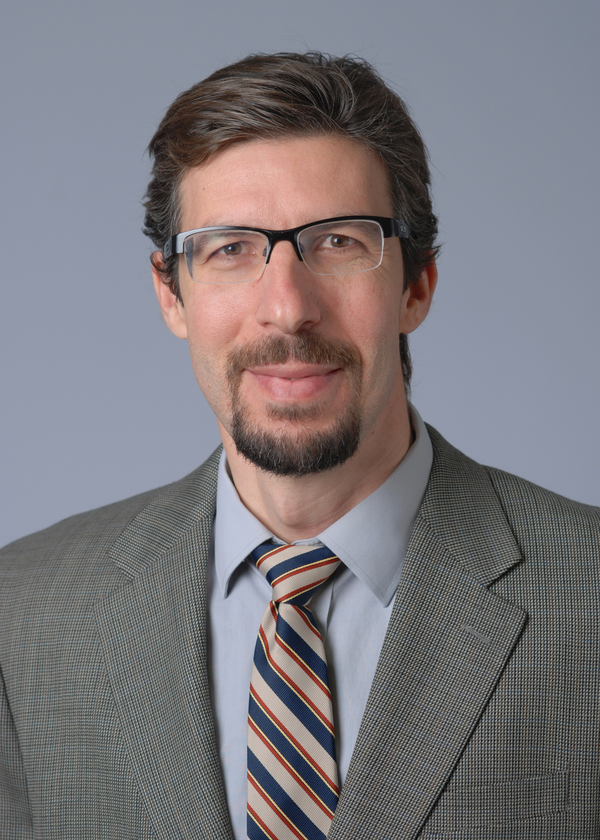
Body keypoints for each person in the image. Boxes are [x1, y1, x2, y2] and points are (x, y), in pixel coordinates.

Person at [1, 51, 599, 840]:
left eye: (339, 243)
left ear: (416, 284)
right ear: (169, 292)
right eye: (230, 249)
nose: (286, 310)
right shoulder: (25, 616)